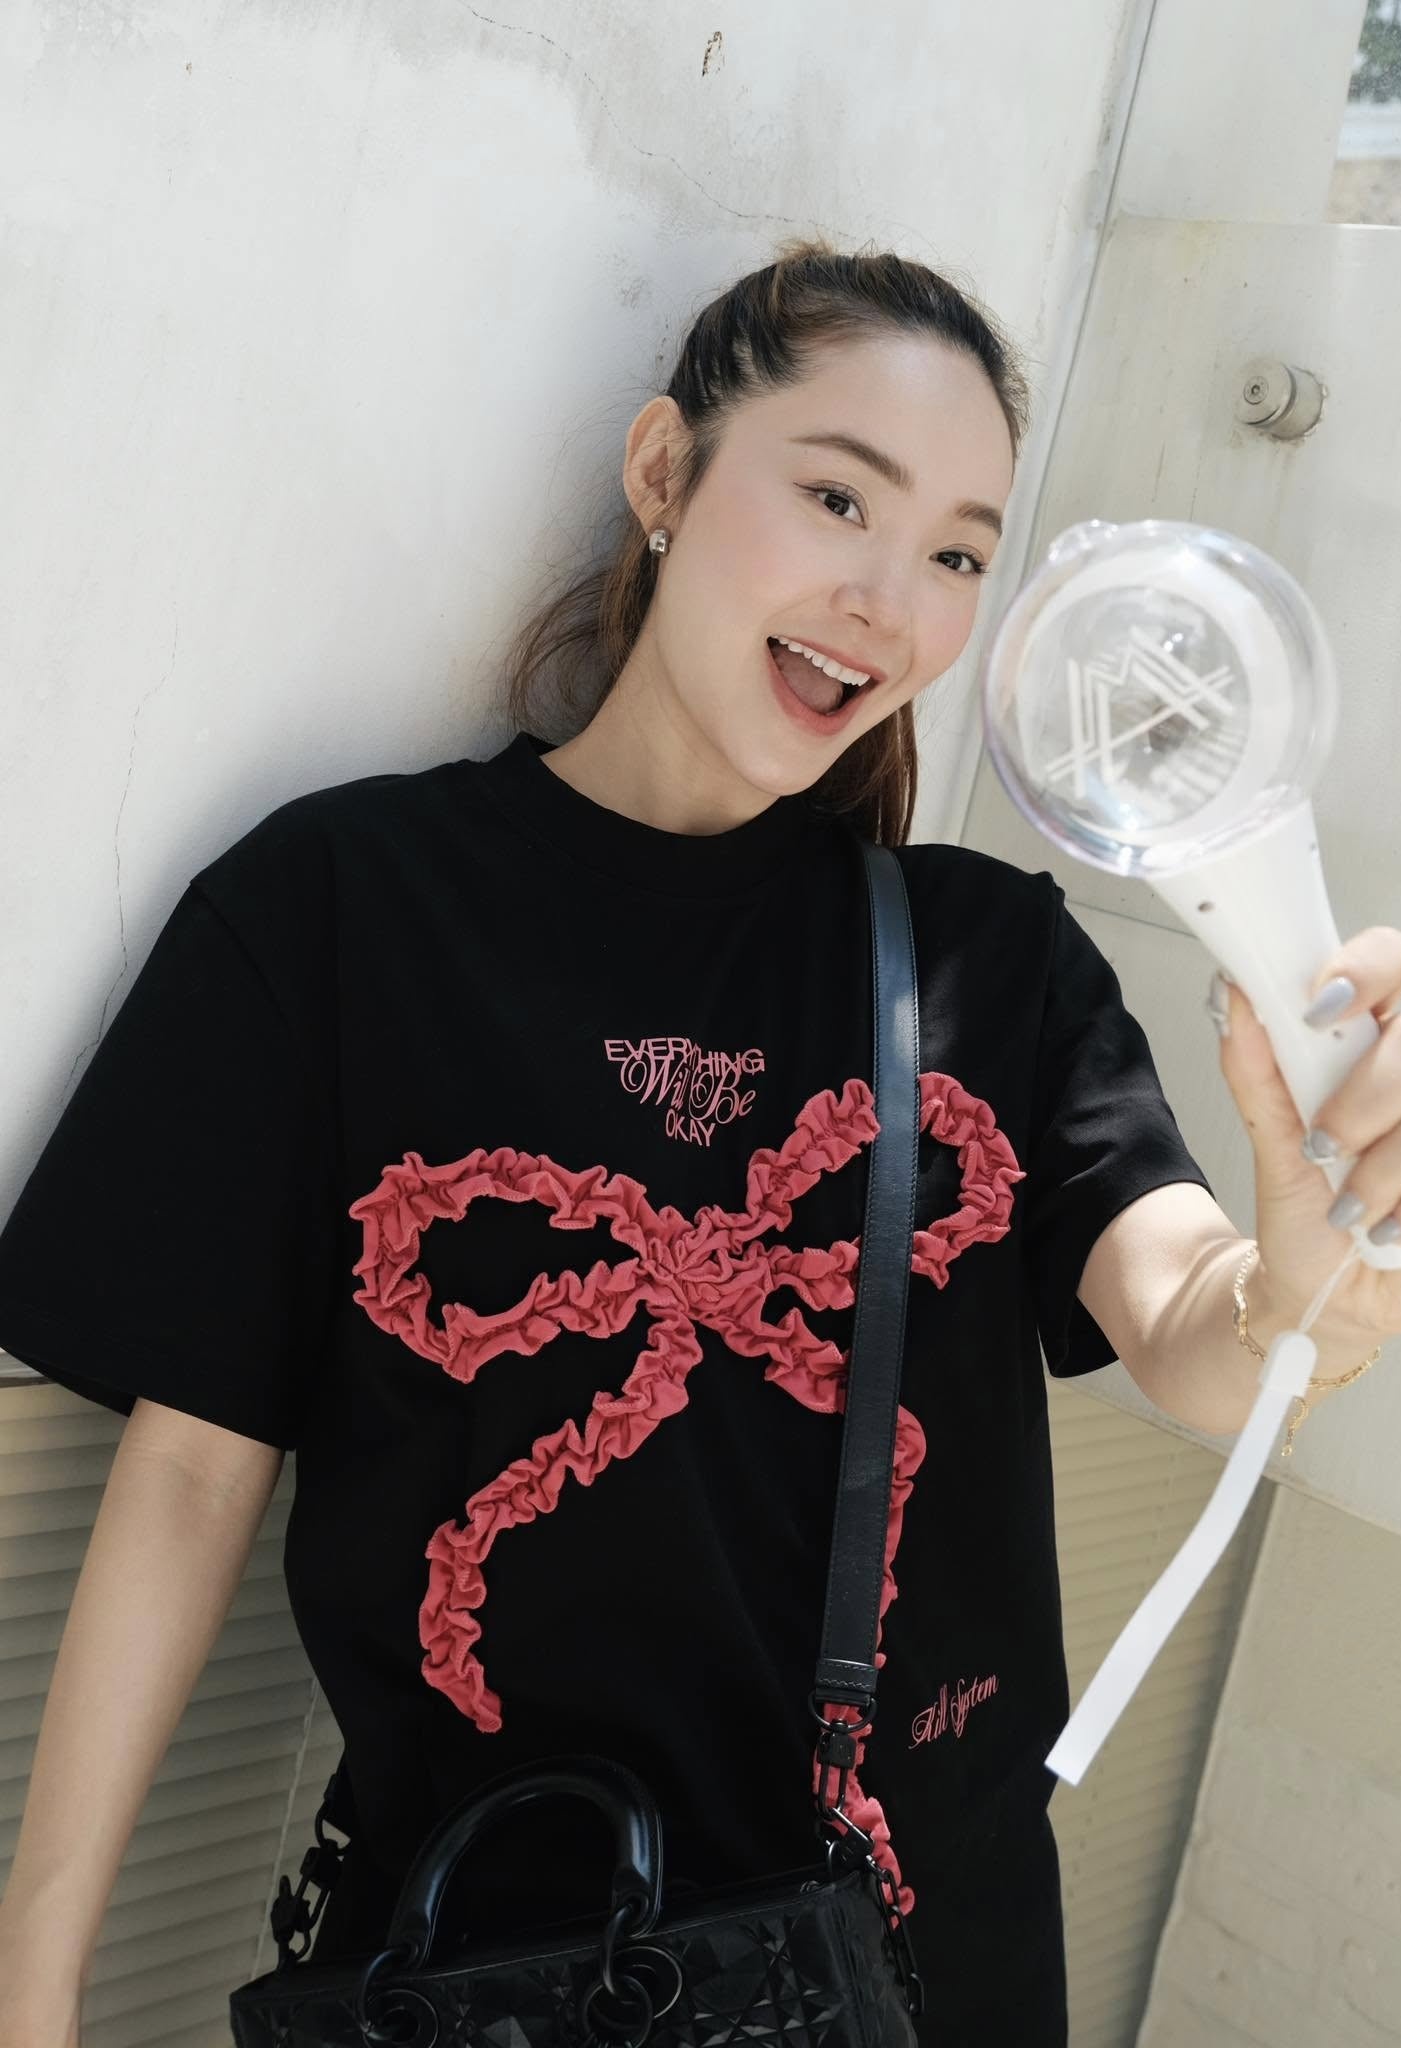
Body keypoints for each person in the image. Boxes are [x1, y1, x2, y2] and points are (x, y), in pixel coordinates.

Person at [0, 234, 1260, 2045]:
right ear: (664, 471)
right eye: (839, 497)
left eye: (957, 555)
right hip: (484, 1971)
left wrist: (1327, 1269)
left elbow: (1199, 1326)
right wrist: (34, 1985)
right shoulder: (341, 912)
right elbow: (192, 1472)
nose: (885, 600)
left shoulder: (992, 965)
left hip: (919, 1979)